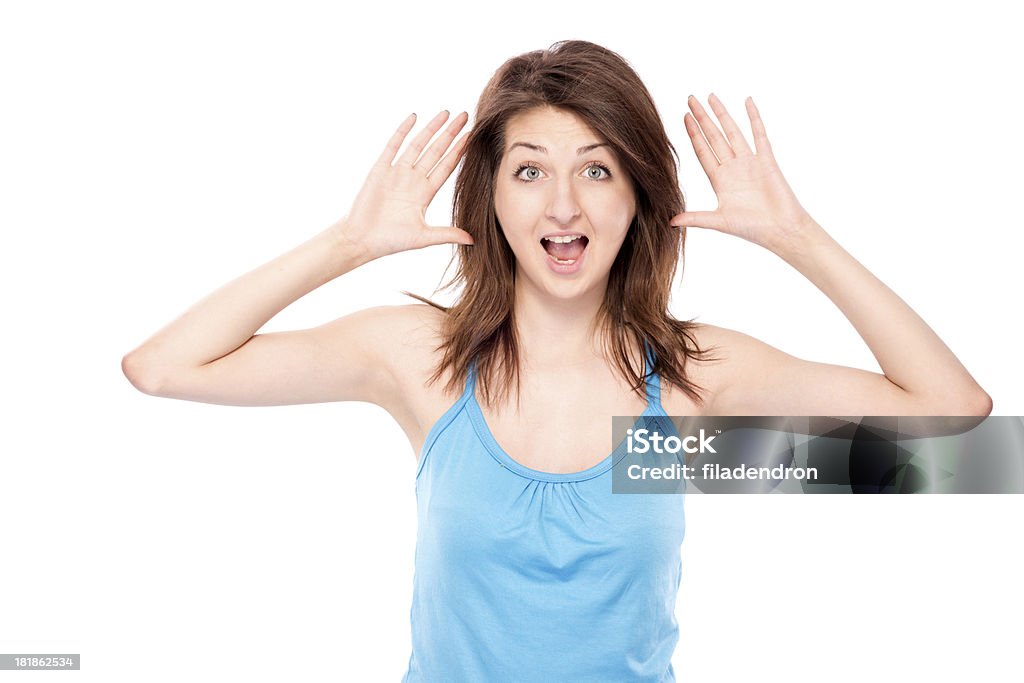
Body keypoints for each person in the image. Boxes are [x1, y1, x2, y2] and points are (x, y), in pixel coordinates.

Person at [121, 40, 991, 682]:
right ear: (491, 195)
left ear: (639, 194)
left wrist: (799, 237)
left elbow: (954, 414)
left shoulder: (689, 380)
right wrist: (348, 243)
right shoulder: (423, 360)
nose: (564, 204)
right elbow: (162, 367)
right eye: (530, 171)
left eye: (599, 170)